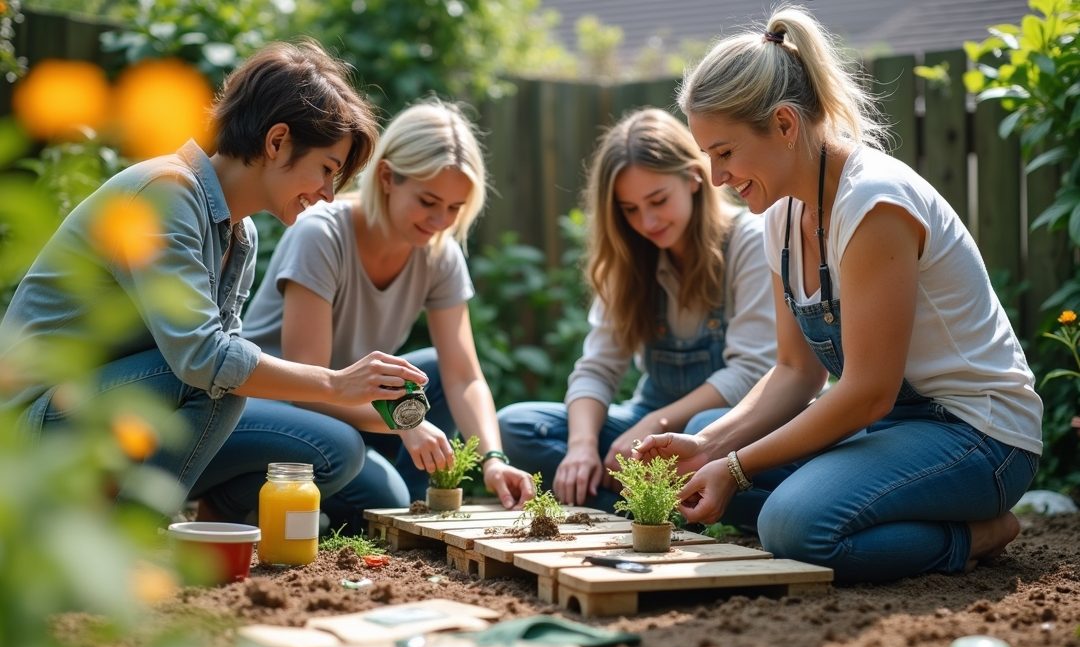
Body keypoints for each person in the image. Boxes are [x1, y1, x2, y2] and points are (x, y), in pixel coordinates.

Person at [633, 6, 1043, 583]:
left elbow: (870, 392)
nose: (716, 177)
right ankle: (849, 505)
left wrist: (736, 465)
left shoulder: (874, 204)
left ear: (783, 124)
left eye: (724, 152)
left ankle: (975, 534)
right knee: (712, 445)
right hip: (890, 430)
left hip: (976, 436)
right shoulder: (781, 213)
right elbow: (794, 372)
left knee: (792, 528)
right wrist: (706, 445)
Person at [0, 40, 429, 516]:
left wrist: (387, 412)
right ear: (276, 141)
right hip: (30, 423)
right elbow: (204, 359)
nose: (329, 195)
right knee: (217, 385)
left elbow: (222, 359)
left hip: (114, 409)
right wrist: (333, 383)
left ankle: (207, 535)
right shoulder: (166, 193)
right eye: (327, 170)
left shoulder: (238, 234)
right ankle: (131, 540)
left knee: (320, 450)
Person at [190, 100, 536, 534]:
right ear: (388, 177)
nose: (439, 221)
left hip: (349, 402)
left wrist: (493, 460)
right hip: (275, 402)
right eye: (428, 201)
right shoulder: (321, 234)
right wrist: (407, 421)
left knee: (431, 374)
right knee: (369, 479)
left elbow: (464, 376)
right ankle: (233, 501)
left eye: (454, 208)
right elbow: (310, 388)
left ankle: (409, 515)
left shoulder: (439, 253)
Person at [497, 108, 776, 511]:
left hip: (728, 430)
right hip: (646, 424)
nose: (646, 221)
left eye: (657, 200)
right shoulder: (629, 259)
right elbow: (597, 368)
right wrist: (580, 449)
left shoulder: (748, 239)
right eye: (629, 209)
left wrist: (658, 423)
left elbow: (750, 373)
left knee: (700, 427)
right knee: (517, 426)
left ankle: (641, 503)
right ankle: (651, 508)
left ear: (694, 178)